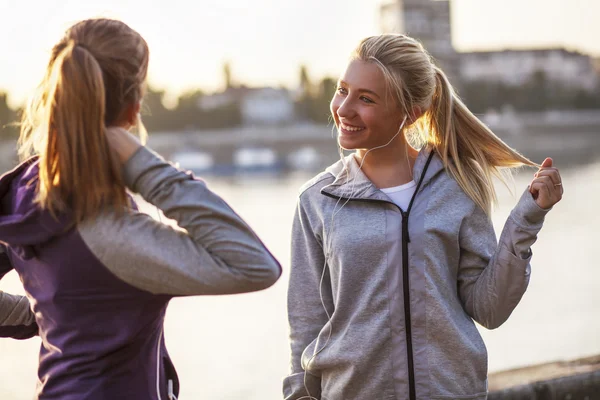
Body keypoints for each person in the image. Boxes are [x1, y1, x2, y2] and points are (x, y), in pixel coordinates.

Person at [0, 18, 281, 400]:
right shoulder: (116, 236)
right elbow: (254, 264)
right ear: (133, 109)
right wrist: (141, 164)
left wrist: (48, 314)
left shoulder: (22, 197)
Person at [283, 34, 563, 400]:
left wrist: (527, 220)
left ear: (410, 112)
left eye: (366, 98)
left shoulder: (457, 185)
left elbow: (488, 308)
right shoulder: (317, 200)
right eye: (343, 90)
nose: (344, 108)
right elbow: (306, 325)